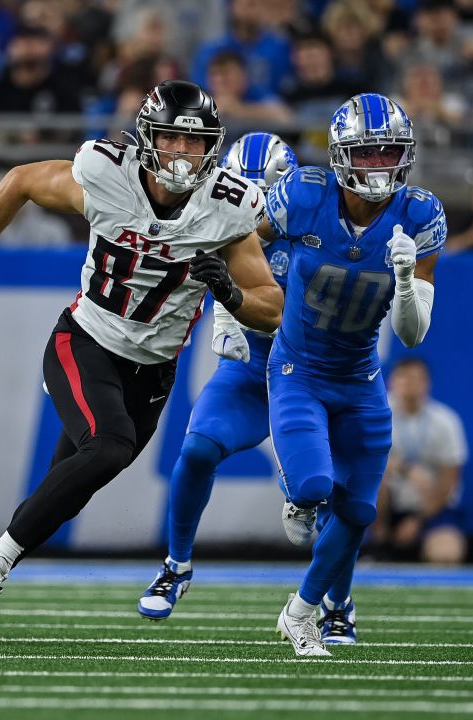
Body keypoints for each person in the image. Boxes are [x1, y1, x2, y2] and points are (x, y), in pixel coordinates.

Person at [0, 80, 284, 654]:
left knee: (69, 487)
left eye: (194, 142)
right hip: (87, 341)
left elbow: (271, 308)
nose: (182, 153)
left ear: (212, 149)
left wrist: (231, 293)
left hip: (153, 371)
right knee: (107, 447)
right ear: (148, 139)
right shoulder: (107, 173)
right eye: (171, 138)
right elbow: (21, 179)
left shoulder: (227, 207)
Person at [264, 94, 446, 654]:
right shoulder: (303, 196)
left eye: (388, 153)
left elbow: (413, 334)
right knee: (317, 487)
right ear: (342, 156)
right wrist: (239, 301)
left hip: (361, 375)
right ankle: (298, 492)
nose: (378, 166)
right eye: (366, 155)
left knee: (360, 510)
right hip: (298, 367)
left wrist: (405, 279)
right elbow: (239, 241)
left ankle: (302, 613)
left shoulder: (419, 215)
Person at [136, 131, 299, 620]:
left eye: (262, 196)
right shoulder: (208, 221)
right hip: (251, 374)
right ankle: (177, 565)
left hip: (311, 374)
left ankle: (335, 595)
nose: (250, 207)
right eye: (238, 190)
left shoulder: (317, 232)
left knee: (330, 485)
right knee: (196, 450)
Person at [370, 356, 469, 565]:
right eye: (403, 378)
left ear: (427, 384)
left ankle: (422, 544)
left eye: (415, 379)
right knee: (374, 479)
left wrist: (418, 520)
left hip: (430, 507)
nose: (409, 384)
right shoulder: (375, 414)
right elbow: (361, 460)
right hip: (386, 506)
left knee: (446, 554)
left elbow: (448, 482)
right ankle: (378, 543)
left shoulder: (445, 421)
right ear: (391, 382)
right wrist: (405, 469)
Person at [203, 51, 293, 125]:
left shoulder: (257, 93)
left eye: (225, 74)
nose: (219, 80)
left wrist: (238, 110)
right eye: (213, 74)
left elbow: (285, 116)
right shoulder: (203, 98)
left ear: (243, 75)